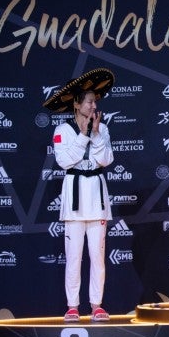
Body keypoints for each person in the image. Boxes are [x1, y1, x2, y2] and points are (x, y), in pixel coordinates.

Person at [43, 68, 115, 322]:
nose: (93, 105)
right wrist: (84, 135)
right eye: (89, 101)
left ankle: (97, 305)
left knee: (98, 256)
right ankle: (72, 305)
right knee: (74, 257)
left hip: (96, 198)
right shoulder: (62, 130)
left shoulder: (102, 128)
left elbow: (105, 159)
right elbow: (65, 160)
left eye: (95, 101)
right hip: (74, 200)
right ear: (76, 104)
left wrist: (95, 135)